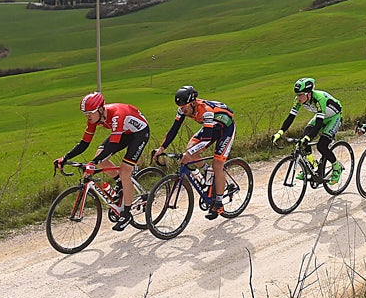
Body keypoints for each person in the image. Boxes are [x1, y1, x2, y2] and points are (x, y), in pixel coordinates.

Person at [54, 92, 151, 231]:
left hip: (139, 133)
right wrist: (65, 157)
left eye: (90, 113)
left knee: (125, 172)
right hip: (125, 132)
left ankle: (127, 213)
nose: (88, 116)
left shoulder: (117, 114)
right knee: (100, 158)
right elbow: (84, 143)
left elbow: (113, 144)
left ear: (100, 109)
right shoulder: (94, 118)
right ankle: (120, 183)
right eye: (85, 113)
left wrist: (92, 163)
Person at [152, 86, 235, 220]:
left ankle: (219, 203)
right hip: (212, 126)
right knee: (190, 150)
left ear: (193, 102)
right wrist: (162, 148)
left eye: (185, 107)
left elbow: (206, 139)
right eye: (180, 107)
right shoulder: (182, 110)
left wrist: (189, 153)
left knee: (217, 165)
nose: (182, 110)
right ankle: (207, 172)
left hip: (226, 129)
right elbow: (174, 130)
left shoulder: (206, 111)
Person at [272, 77, 344, 184]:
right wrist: (280, 132)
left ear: (309, 94)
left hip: (334, 117)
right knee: (304, 137)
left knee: (322, 145)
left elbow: (319, 124)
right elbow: (291, 117)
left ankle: (337, 167)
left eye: (301, 95)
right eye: (297, 95)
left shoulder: (319, 99)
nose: (298, 98)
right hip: (321, 116)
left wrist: (308, 138)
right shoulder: (298, 100)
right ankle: (312, 165)